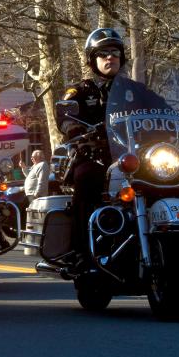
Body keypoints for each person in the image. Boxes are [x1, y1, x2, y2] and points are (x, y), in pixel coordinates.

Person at [57, 28, 123, 265]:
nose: (110, 57)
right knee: (86, 178)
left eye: (114, 52)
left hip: (129, 157)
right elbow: (64, 115)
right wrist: (72, 127)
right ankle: (81, 250)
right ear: (92, 59)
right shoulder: (81, 91)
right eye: (103, 53)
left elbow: (159, 107)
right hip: (93, 155)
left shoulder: (133, 91)